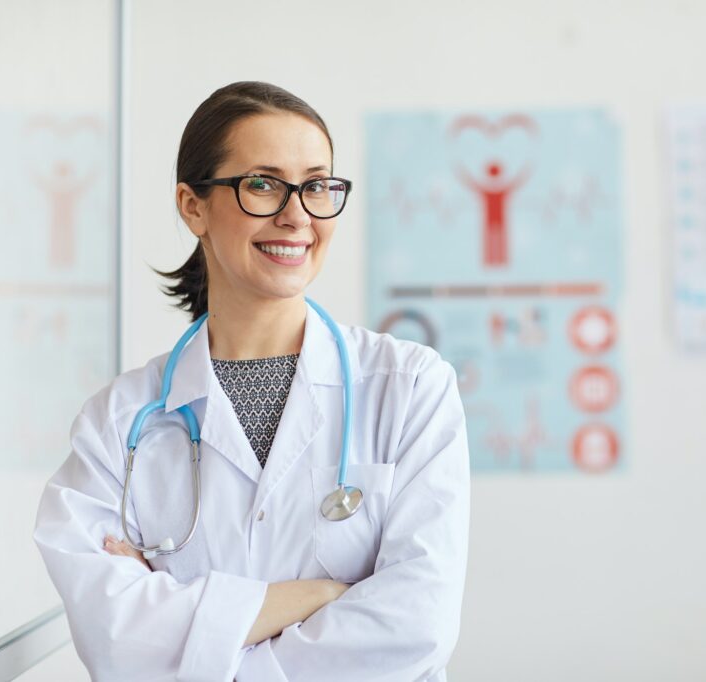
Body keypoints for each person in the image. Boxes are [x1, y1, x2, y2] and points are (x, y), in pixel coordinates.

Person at [34, 81, 470, 682]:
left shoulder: (410, 388)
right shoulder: (117, 423)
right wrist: (318, 595)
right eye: (262, 184)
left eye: (317, 185)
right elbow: (115, 641)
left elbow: (415, 626)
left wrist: (206, 648)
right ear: (193, 206)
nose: (297, 215)